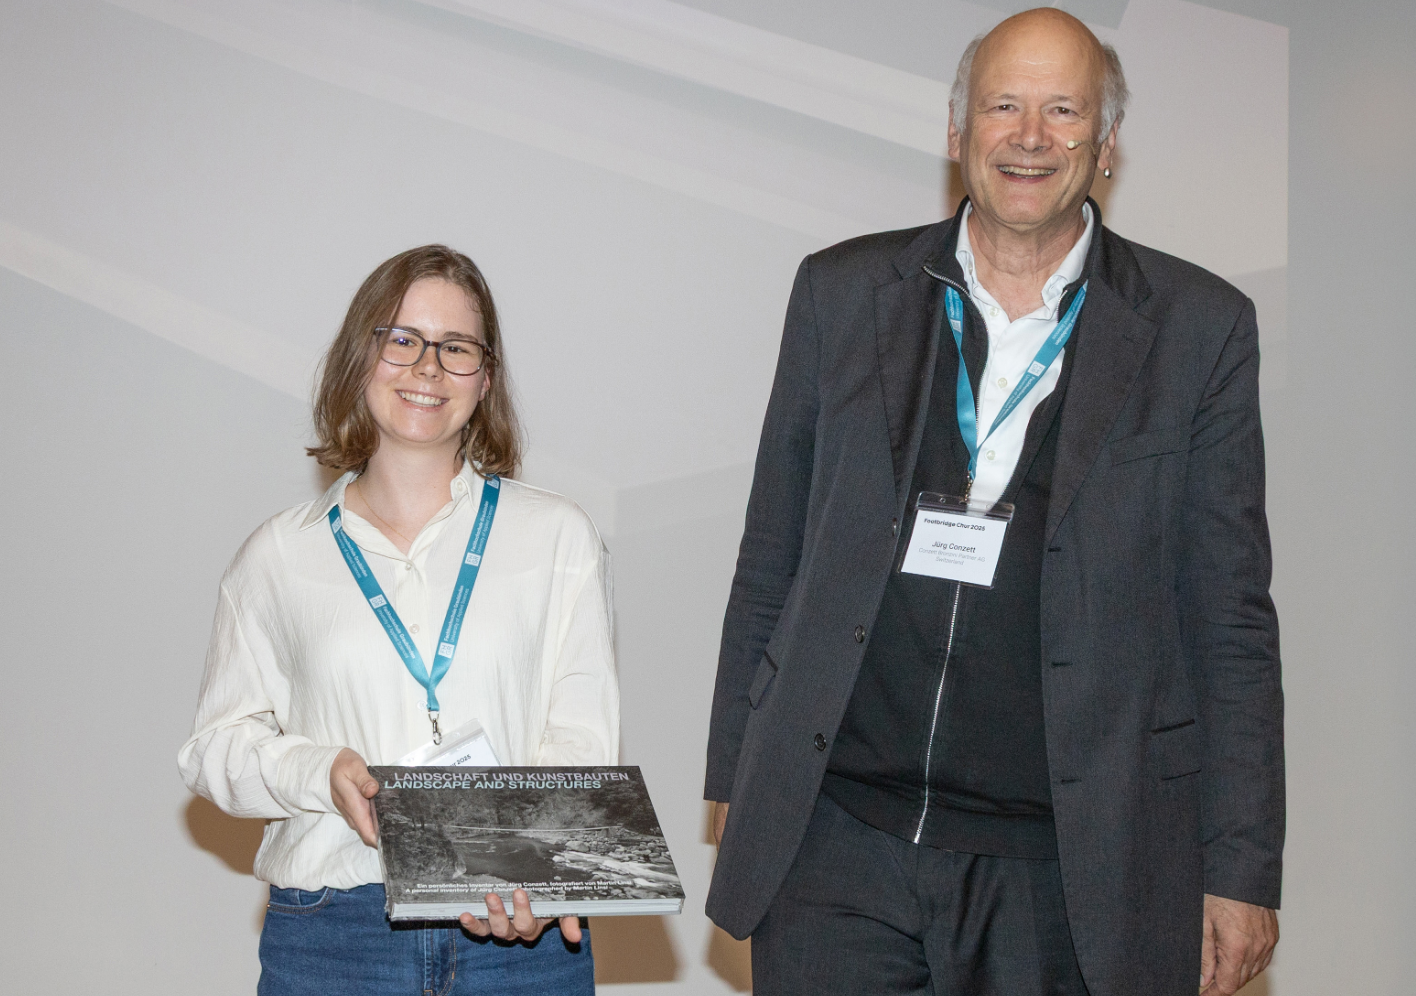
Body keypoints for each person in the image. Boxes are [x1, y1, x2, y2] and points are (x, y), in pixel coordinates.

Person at [703, 9, 1282, 996]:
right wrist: (737, 784)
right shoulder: (843, 294)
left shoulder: (1196, 329)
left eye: (1063, 111)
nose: (1029, 135)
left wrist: (1237, 867)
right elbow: (773, 553)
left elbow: (1226, 615)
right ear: (956, 129)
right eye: (1003, 105)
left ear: (1105, 145)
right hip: (837, 842)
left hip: (1067, 864)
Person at [179, 245, 617, 995]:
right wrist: (319, 770)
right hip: (335, 935)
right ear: (362, 357)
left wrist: (535, 876)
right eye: (402, 340)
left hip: (516, 938)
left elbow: (578, 739)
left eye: (456, 348)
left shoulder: (559, 537)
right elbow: (214, 750)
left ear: (486, 379)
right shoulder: (277, 556)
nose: (428, 368)